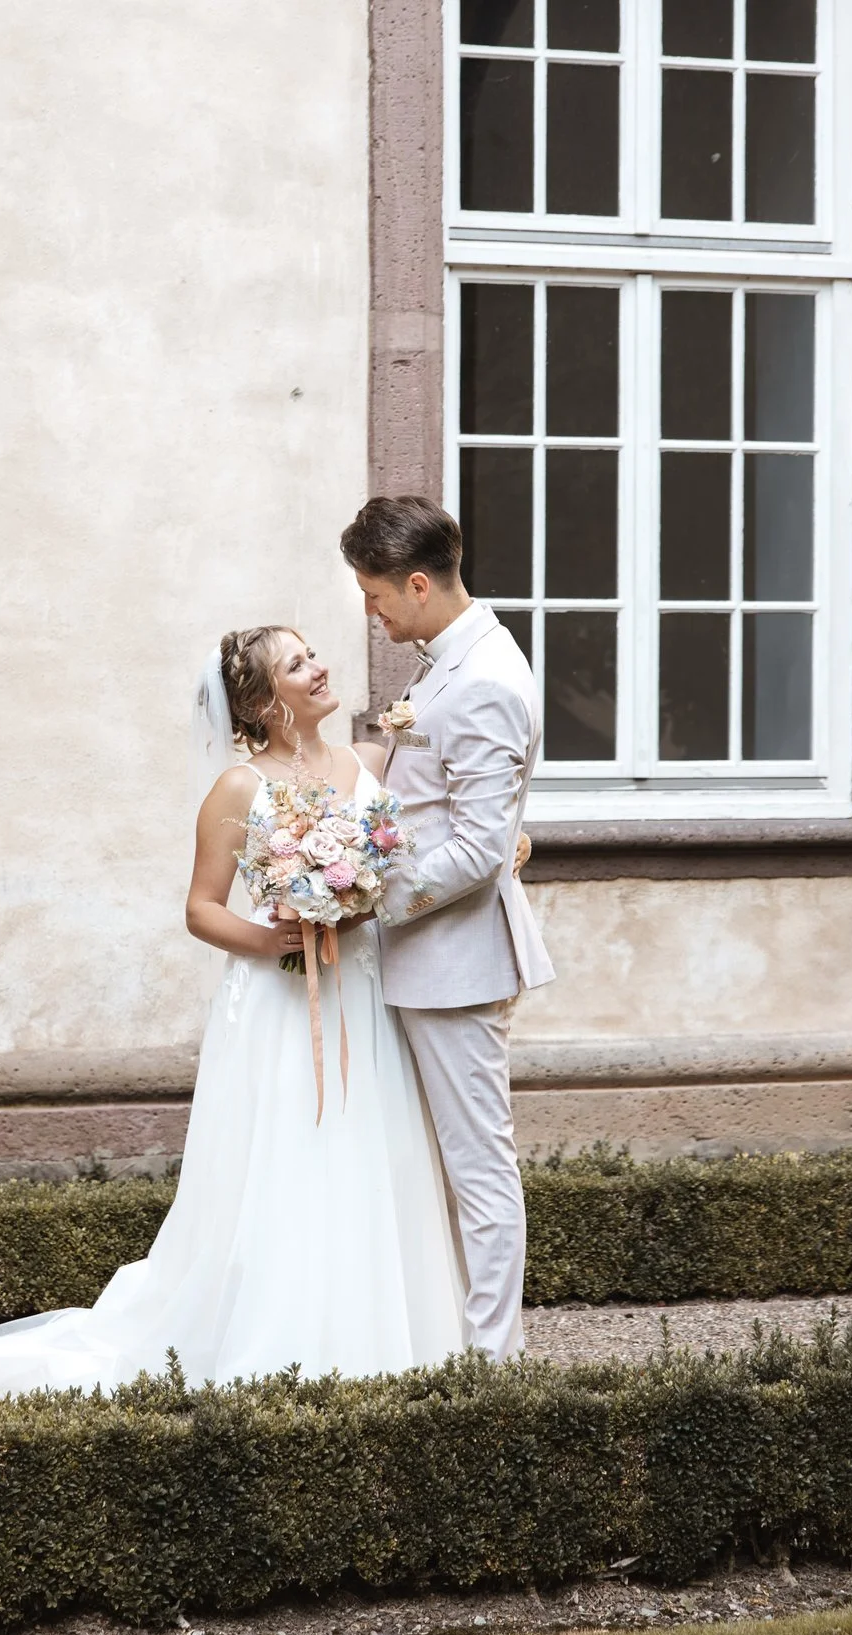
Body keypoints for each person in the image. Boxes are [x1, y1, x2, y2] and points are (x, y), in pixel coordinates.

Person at [0, 625, 469, 1398]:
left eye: (313, 652)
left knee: (374, 1151)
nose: (321, 666)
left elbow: (408, 861)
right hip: (282, 1003)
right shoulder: (239, 789)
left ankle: (391, 1338)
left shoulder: (369, 763)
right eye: (297, 664)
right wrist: (278, 936)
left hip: (359, 990)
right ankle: (286, 1342)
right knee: (292, 1162)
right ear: (262, 702)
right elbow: (200, 908)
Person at [341, 494, 555, 1362]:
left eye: (374, 593)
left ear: (418, 584)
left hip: (456, 962)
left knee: (477, 1165)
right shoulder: (444, 660)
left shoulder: (488, 680)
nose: (370, 609)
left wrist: (366, 898)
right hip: (420, 959)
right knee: (431, 1161)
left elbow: (477, 848)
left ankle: (493, 1358)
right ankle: (440, 1334)